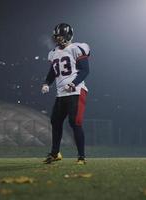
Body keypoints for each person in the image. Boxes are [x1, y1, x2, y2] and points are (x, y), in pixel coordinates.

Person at [41, 23, 90, 165]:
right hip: (61, 93)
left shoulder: (77, 49)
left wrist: (73, 83)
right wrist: (46, 83)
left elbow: (85, 70)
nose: (58, 39)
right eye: (56, 37)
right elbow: (53, 72)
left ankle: (81, 157)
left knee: (75, 122)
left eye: (61, 36)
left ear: (68, 36)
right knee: (55, 122)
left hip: (76, 90)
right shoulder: (53, 52)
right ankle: (55, 153)